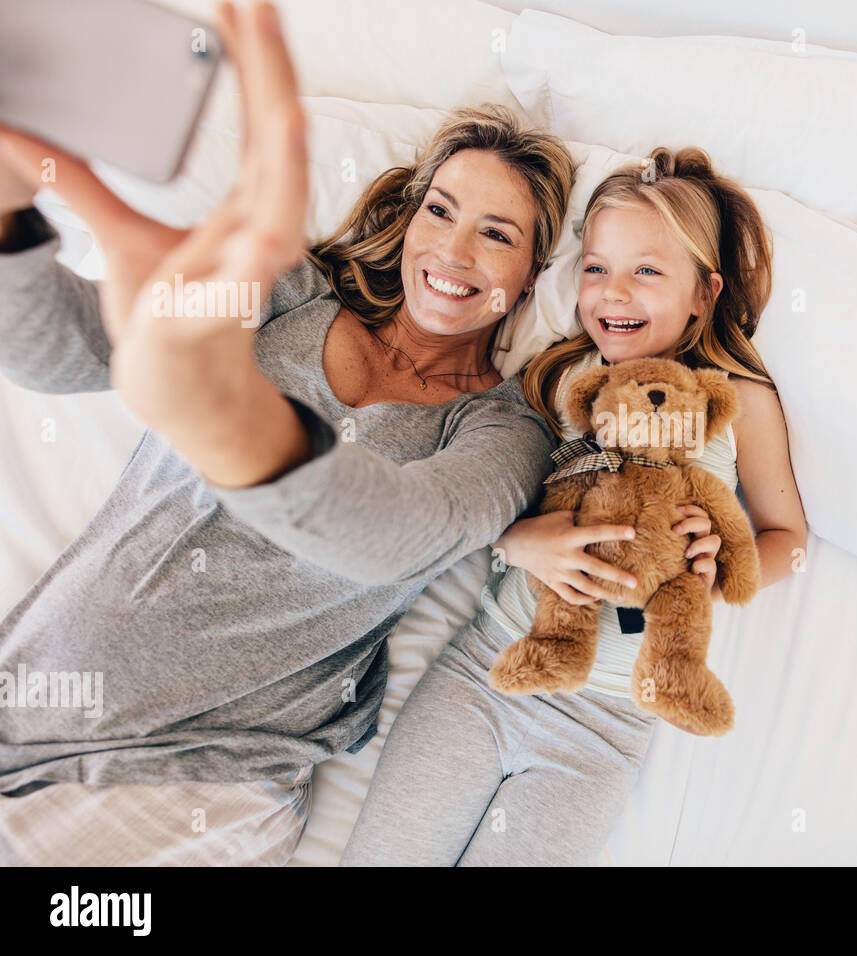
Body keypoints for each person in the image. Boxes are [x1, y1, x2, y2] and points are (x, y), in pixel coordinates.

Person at [0, 2, 594, 865]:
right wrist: (12, 218)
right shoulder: (287, 295)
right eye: (441, 211)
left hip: (201, 784)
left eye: (496, 234)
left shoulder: (504, 431)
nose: (455, 251)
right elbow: (67, 349)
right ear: (409, 215)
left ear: (532, 274)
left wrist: (222, 420)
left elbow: (401, 535)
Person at [340, 145, 809, 866]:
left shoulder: (738, 399)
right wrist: (517, 541)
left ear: (704, 293)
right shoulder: (560, 377)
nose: (613, 294)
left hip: (607, 723)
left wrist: (719, 567)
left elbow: (789, 538)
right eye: (595, 269)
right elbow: (484, 493)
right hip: (488, 671)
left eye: (646, 272)